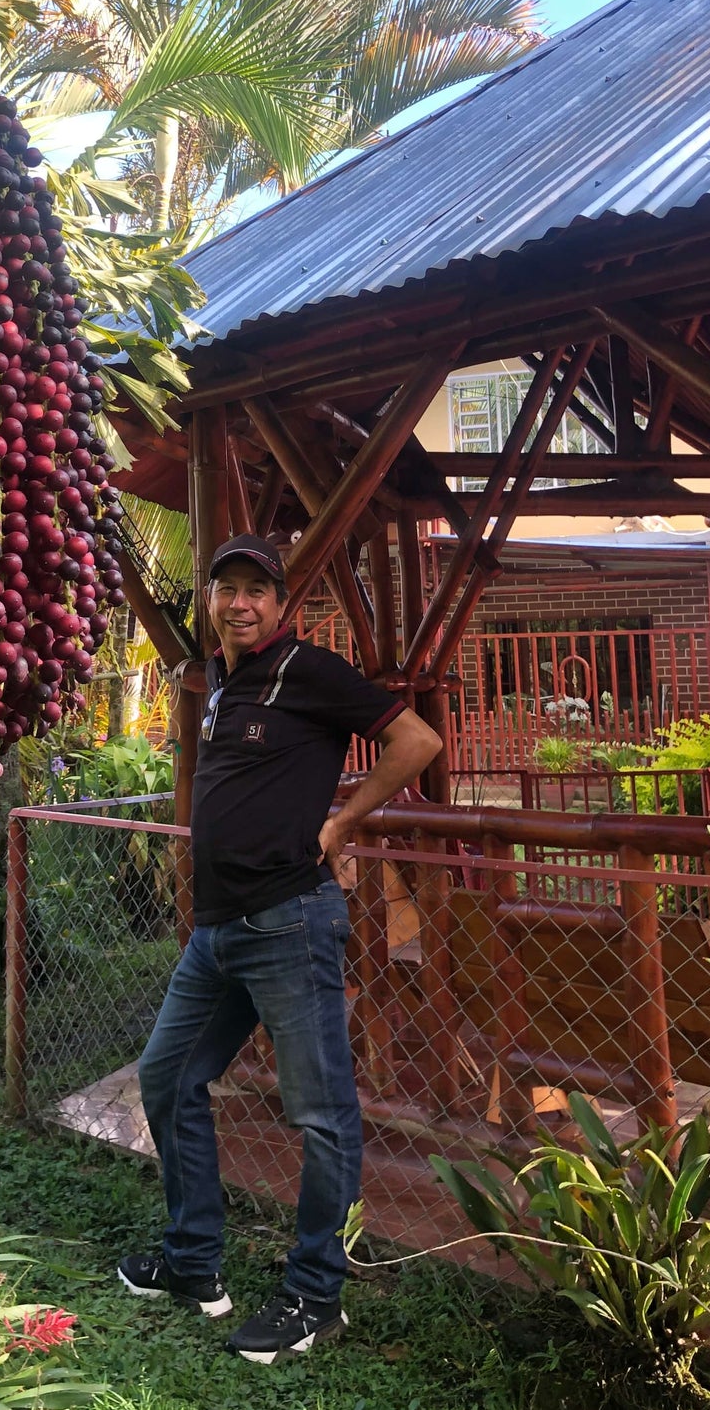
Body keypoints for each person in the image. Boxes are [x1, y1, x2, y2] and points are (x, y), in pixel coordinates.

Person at [117, 533, 442, 1364]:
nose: (238, 604)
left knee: (319, 1113)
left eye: (255, 590)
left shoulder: (309, 670)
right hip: (218, 930)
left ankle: (313, 1293)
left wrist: (341, 820)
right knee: (168, 1073)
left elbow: (416, 742)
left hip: (289, 921)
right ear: (210, 602)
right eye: (225, 589)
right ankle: (194, 1262)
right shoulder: (221, 680)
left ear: (280, 602)